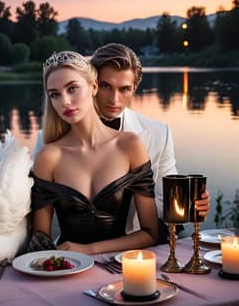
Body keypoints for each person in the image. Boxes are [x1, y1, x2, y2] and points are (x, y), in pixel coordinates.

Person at [33, 43, 210, 239]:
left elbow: (164, 202)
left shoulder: (157, 133)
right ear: (94, 84)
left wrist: (188, 204)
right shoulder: (48, 141)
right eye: (107, 86)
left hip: (137, 247)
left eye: (124, 89)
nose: (114, 99)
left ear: (135, 88)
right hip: (73, 253)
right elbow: (35, 213)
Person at [28, 51, 159, 254]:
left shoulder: (129, 145)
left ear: (94, 87)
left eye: (72, 89)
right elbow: (41, 239)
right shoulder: (49, 156)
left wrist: (90, 249)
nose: (64, 101)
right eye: (55, 94)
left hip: (120, 266)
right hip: (69, 266)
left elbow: (150, 233)